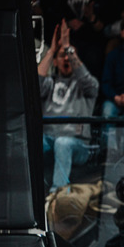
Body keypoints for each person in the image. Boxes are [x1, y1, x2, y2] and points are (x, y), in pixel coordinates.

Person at [38, 19, 99, 192]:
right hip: (49, 140)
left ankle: (58, 193)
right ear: (55, 62)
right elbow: (35, 83)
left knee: (63, 142)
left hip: (78, 145)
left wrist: (67, 47)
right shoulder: (50, 84)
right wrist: (51, 51)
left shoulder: (86, 86)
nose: (66, 58)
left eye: (69, 55)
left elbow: (88, 82)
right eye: (61, 56)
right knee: (30, 141)